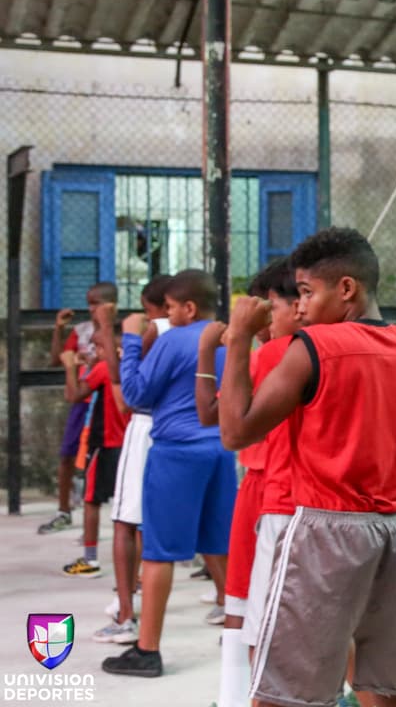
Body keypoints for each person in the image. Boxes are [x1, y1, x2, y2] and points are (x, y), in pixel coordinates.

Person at [217, 227, 396, 707]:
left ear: (346, 289)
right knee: (386, 691)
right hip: (393, 531)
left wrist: (239, 338)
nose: (302, 306)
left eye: (308, 292)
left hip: (323, 534)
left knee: (279, 697)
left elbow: (234, 431)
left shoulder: (313, 347)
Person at [103, 269, 234, 678]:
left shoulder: (176, 338)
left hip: (177, 451)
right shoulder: (230, 337)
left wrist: (128, 339)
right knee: (218, 544)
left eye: (172, 307)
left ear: (188, 307)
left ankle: (147, 648)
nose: (168, 315)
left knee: (159, 551)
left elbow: (138, 396)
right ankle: (242, 631)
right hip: (220, 448)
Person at [195, 259, 301, 707]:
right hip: (312, 498)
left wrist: (219, 346)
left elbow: (213, 418)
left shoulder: (274, 354)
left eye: (270, 307)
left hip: (270, 493)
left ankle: (242, 696)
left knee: (252, 614)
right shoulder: (321, 347)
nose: (263, 317)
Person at [93, 274, 172, 644]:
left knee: (125, 521)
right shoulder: (199, 333)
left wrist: (111, 332)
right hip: (178, 428)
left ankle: (125, 614)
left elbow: (125, 391)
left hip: (145, 426)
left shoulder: (154, 331)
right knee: (148, 523)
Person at [39, 281, 117, 535]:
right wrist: (59, 329)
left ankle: (108, 522)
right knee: (68, 455)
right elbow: (55, 359)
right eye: (89, 304)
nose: (91, 309)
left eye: (95, 303)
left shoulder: (120, 333)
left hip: (107, 404)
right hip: (83, 401)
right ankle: (64, 511)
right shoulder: (82, 331)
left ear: (110, 305)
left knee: (104, 463)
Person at [57, 316, 125, 579]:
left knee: (91, 500)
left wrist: (70, 368)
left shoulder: (104, 369)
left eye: (98, 347)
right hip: (129, 445)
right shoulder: (130, 364)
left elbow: (74, 395)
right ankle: (139, 572)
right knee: (132, 509)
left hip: (104, 444)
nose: (95, 353)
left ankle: (90, 559)